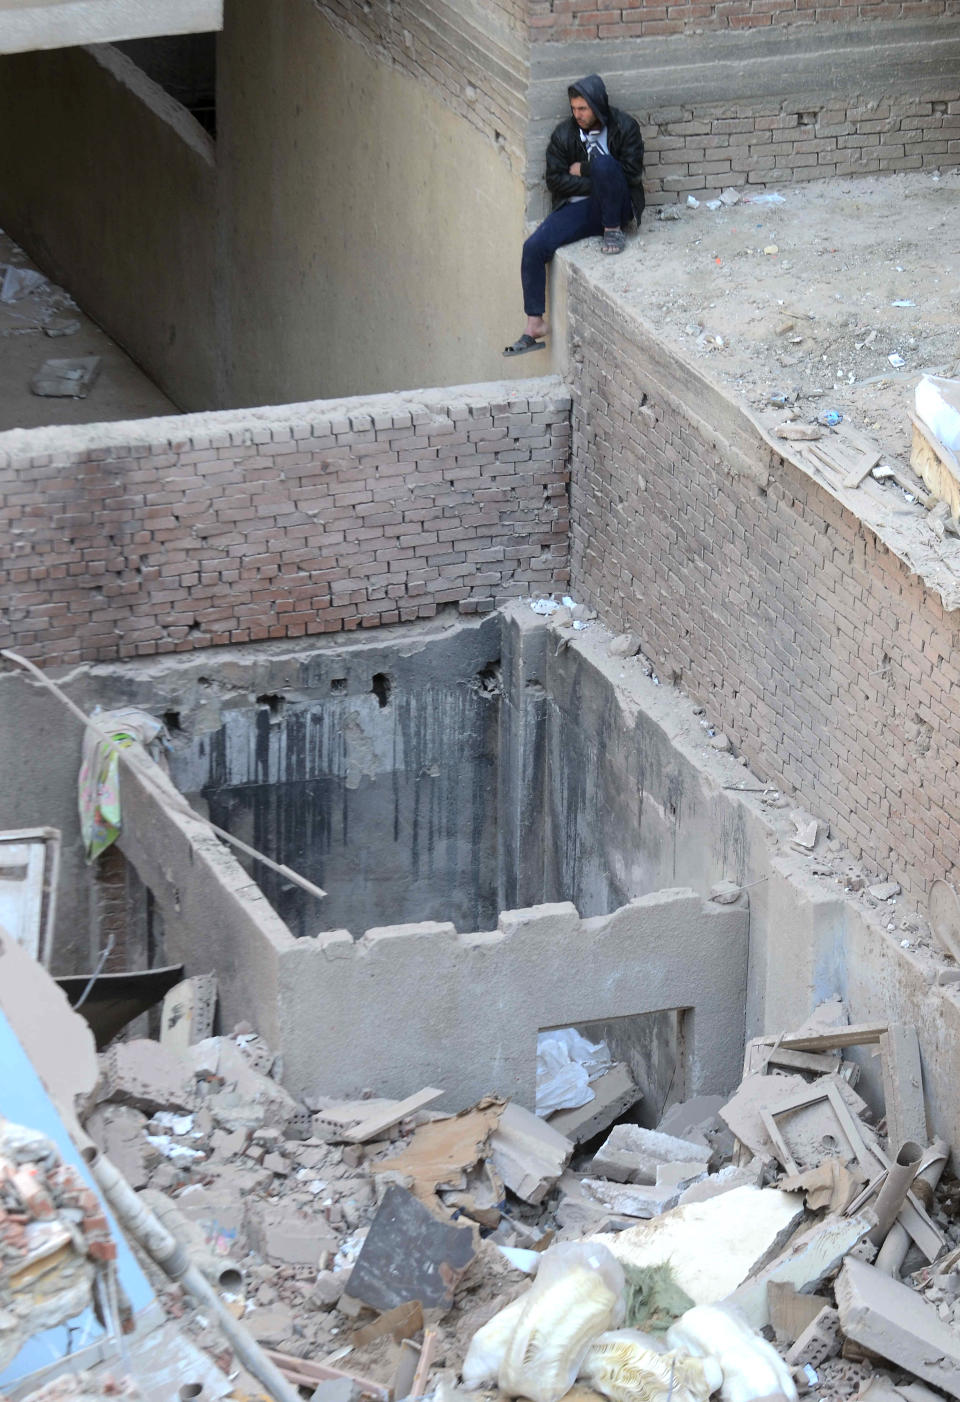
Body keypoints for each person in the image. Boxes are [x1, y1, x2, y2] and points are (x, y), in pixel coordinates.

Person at [503, 74, 645, 357]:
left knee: (604, 163)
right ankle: (534, 325)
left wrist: (588, 168)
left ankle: (613, 230)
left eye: (583, 109)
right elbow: (555, 180)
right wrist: (595, 183)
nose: (577, 114)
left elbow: (630, 174)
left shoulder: (625, 127)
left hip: (618, 205)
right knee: (533, 248)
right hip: (582, 208)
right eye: (574, 109)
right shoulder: (564, 134)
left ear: (597, 105)